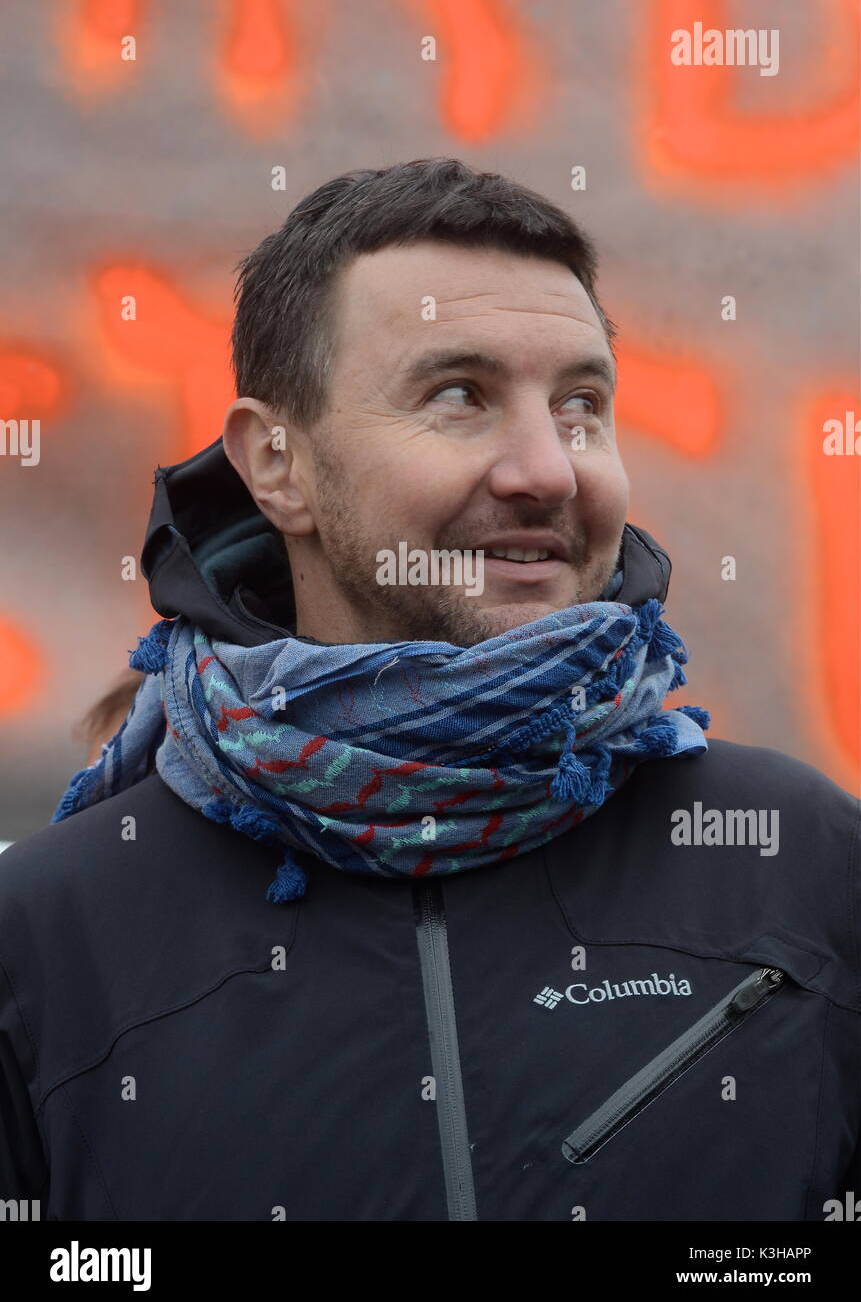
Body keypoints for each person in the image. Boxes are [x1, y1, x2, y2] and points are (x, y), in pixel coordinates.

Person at [0, 158, 858, 1222]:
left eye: (583, 406)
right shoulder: (51, 936)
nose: (548, 468)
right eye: (461, 396)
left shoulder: (797, 862)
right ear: (279, 465)